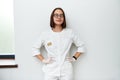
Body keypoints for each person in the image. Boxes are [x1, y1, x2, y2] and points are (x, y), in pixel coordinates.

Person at [32, 7, 85, 80]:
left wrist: (74, 58)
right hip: (50, 70)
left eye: (61, 15)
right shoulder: (45, 34)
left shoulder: (70, 33)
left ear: (64, 18)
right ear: (52, 17)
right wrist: (44, 60)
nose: (59, 17)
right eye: (56, 15)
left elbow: (81, 46)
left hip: (66, 70)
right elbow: (35, 48)